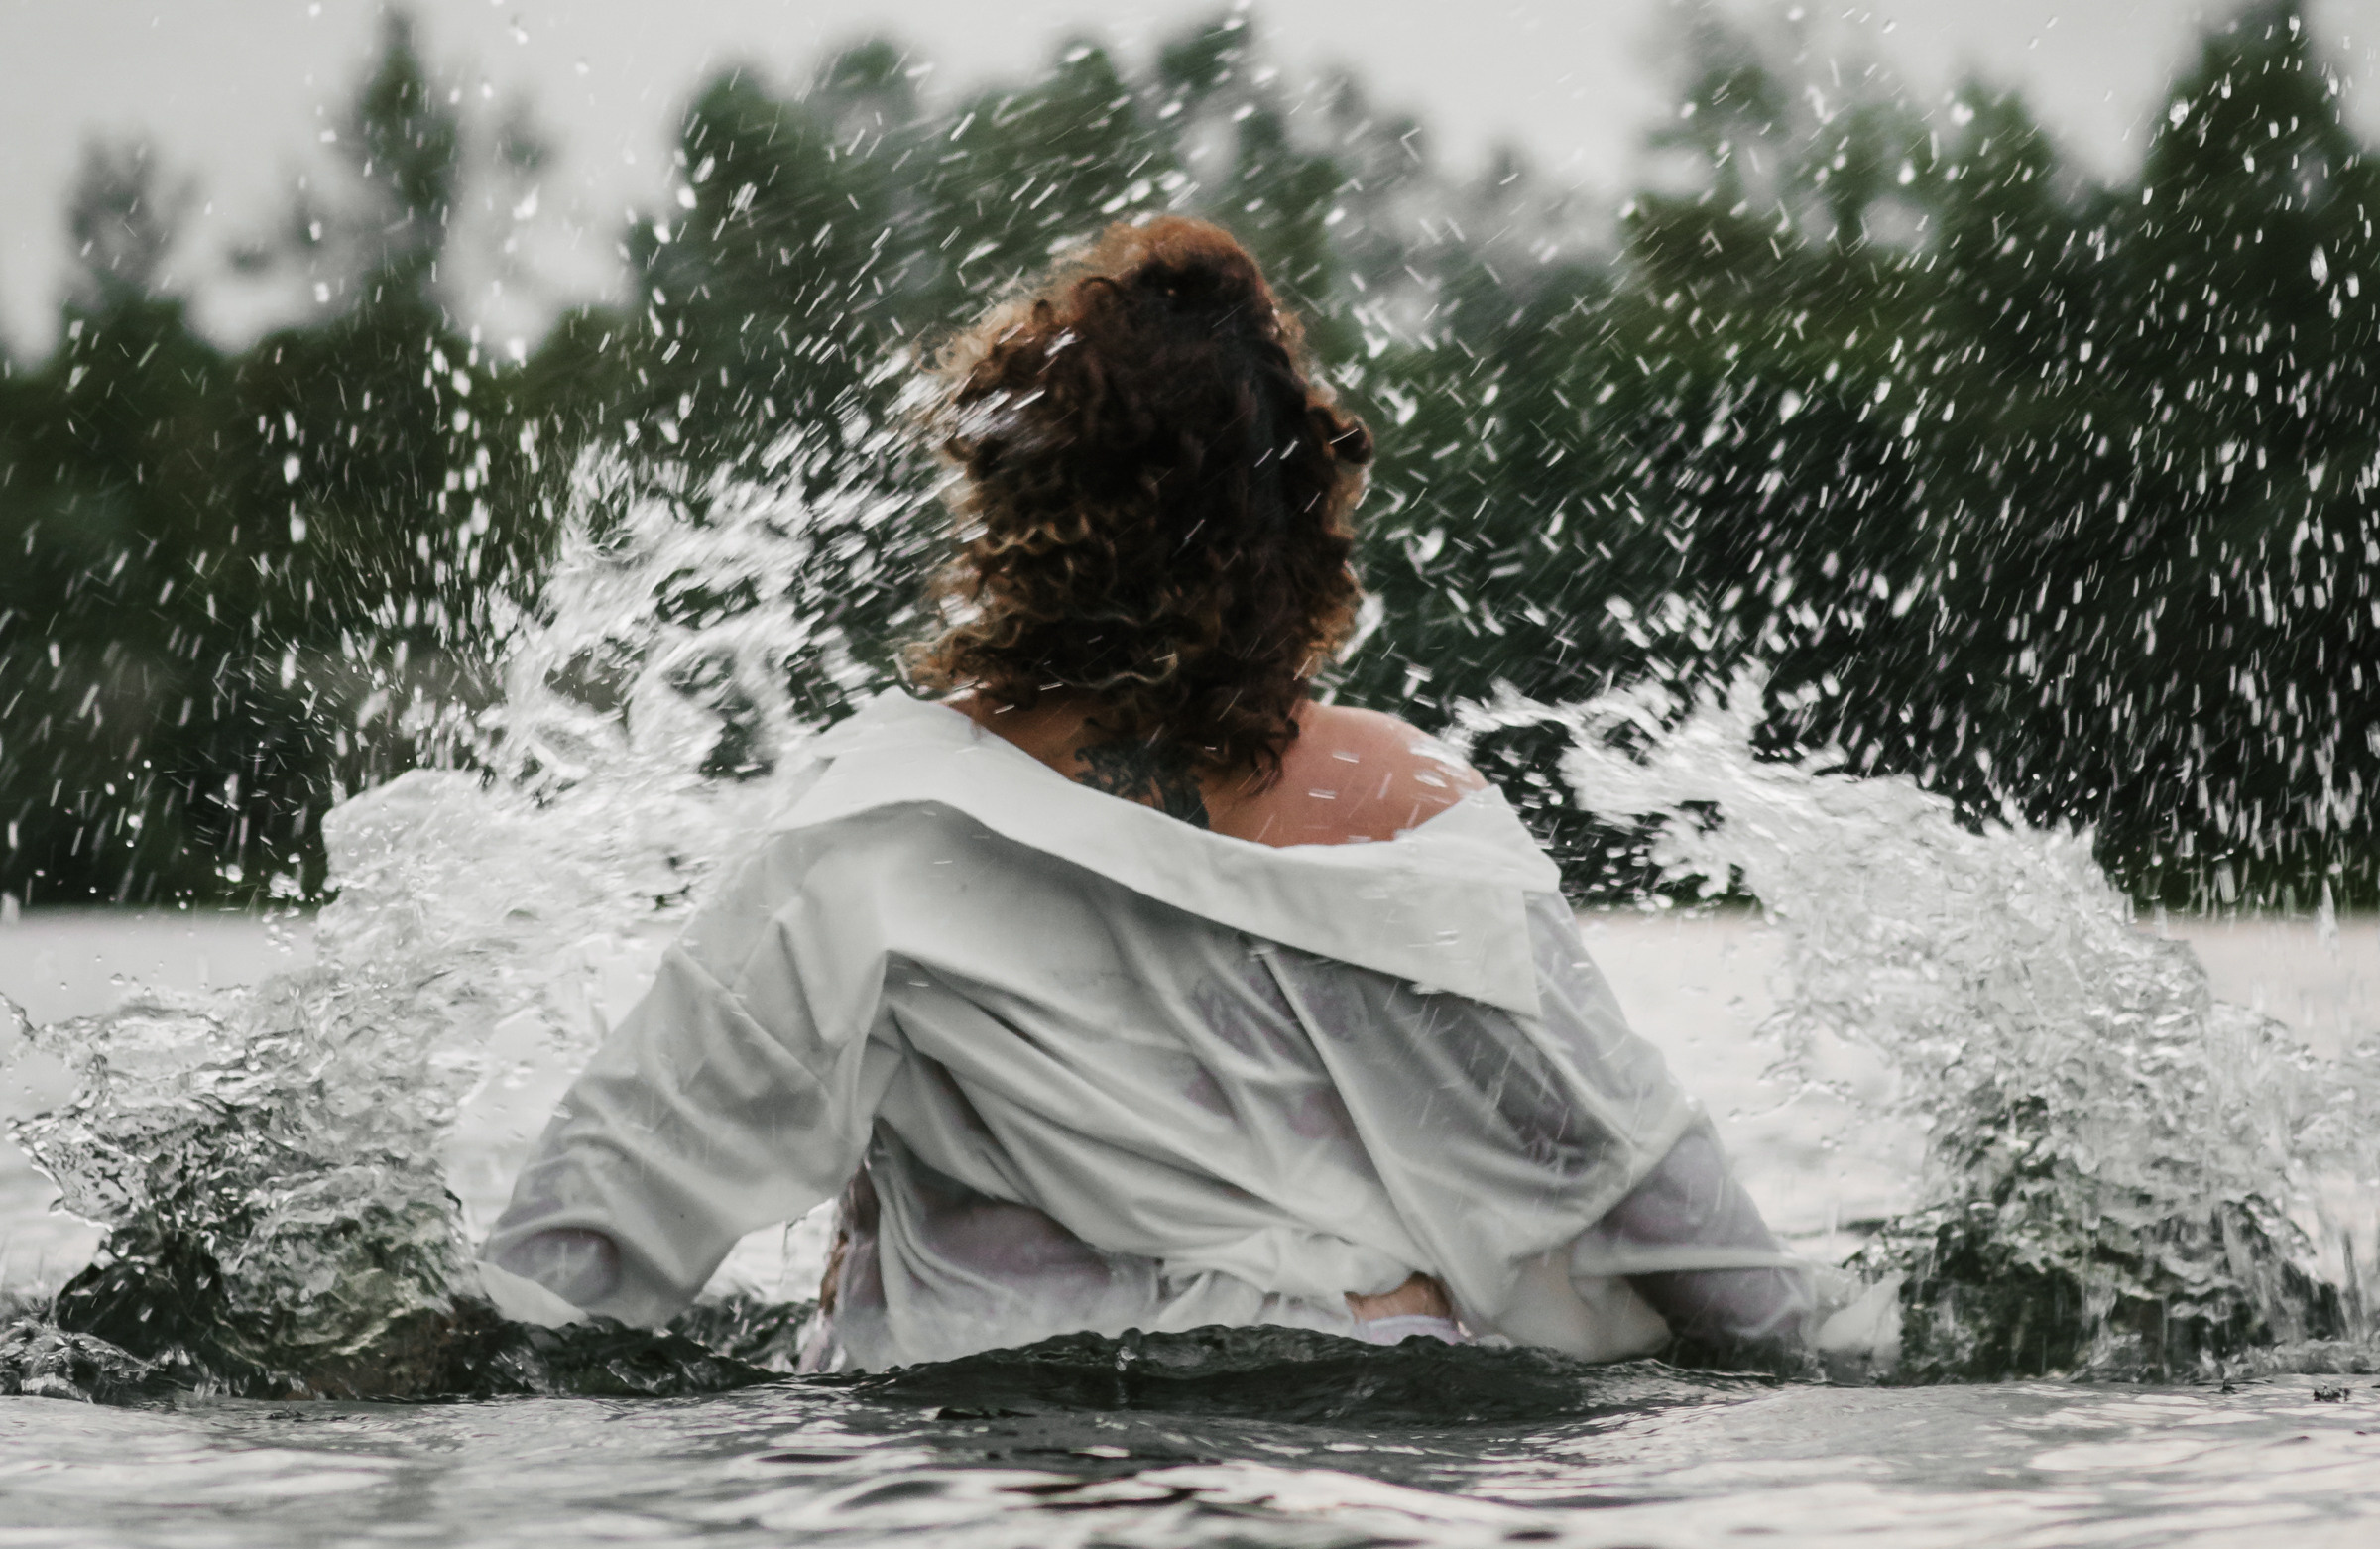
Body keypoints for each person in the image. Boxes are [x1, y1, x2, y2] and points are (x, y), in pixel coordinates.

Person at [483, 218, 1812, 1370]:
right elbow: (1667, 1209)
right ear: (1301, 518)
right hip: (1375, 1434)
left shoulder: (874, 828)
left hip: (997, 1451)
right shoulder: (1413, 809)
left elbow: (585, 1242)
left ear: (1007, 518)